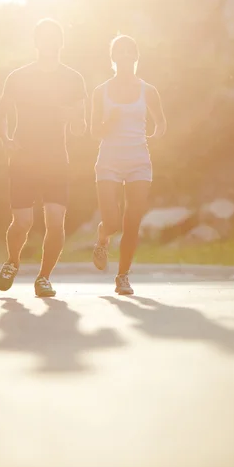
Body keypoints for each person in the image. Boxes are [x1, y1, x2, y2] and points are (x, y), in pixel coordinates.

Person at [0, 18, 87, 297]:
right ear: (37, 43)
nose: (50, 43)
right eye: (44, 38)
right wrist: (6, 140)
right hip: (23, 158)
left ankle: (44, 278)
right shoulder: (19, 76)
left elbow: (81, 127)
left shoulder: (73, 78)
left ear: (60, 43)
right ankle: (12, 262)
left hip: (56, 158)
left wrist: (76, 121)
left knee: (56, 220)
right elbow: (0, 112)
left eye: (54, 38)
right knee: (22, 222)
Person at [90, 34, 166, 295]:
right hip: (109, 161)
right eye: (118, 52)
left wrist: (157, 133)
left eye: (128, 52)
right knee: (112, 222)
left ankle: (122, 277)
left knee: (132, 221)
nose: (123, 56)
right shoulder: (101, 91)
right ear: (112, 58)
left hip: (138, 161)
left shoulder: (149, 91)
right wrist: (107, 125)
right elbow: (94, 132)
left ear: (135, 56)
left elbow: (160, 121)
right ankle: (103, 238)